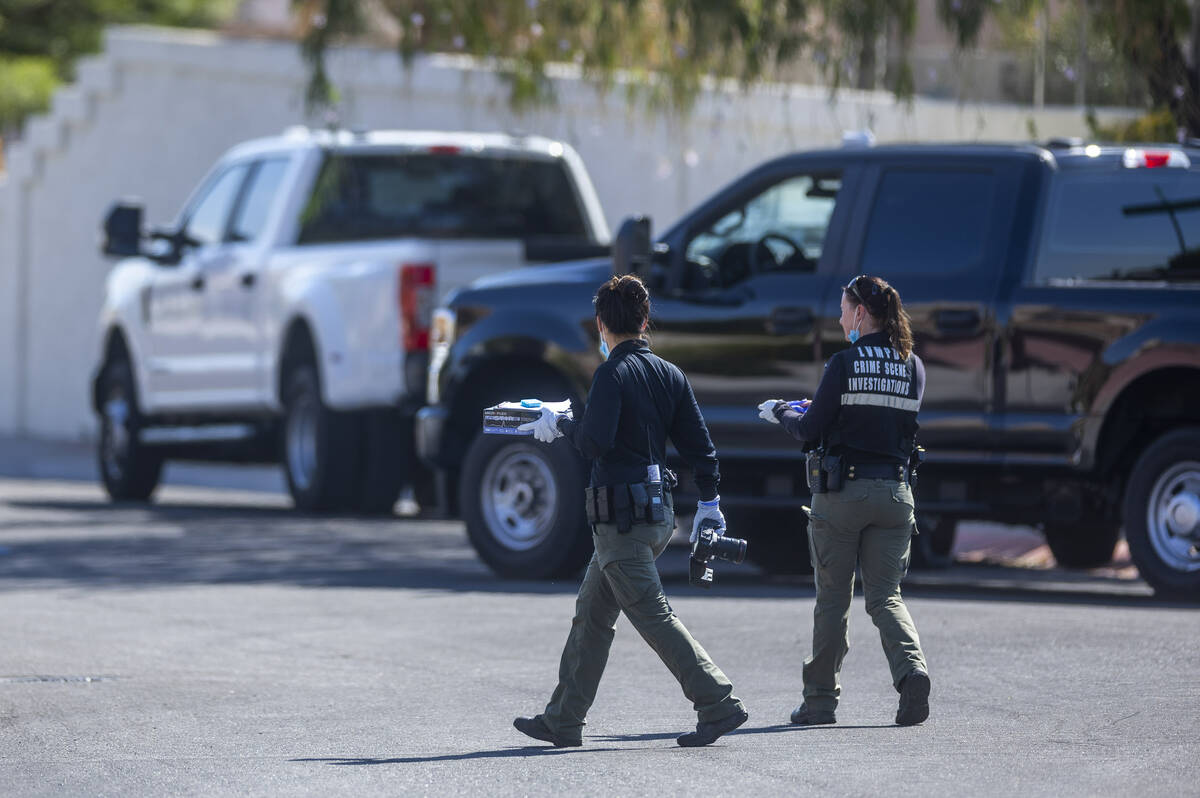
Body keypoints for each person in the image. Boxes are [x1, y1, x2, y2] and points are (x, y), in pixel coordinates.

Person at [512, 274, 749, 748]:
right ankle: (563, 719)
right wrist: (710, 502)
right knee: (592, 615)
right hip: (655, 516)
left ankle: (717, 701)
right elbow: (702, 449)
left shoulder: (610, 375)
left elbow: (595, 442)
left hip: (621, 522)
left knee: (652, 614)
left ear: (602, 325)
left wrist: (560, 424)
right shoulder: (669, 374)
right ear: (644, 321)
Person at [757, 274, 930, 727]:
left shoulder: (843, 362)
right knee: (886, 597)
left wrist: (783, 412)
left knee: (833, 600)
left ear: (860, 313)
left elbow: (812, 429)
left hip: (844, 495)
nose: (838, 317)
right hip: (896, 494)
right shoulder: (913, 366)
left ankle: (819, 702)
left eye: (843, 309)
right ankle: (912, 672)